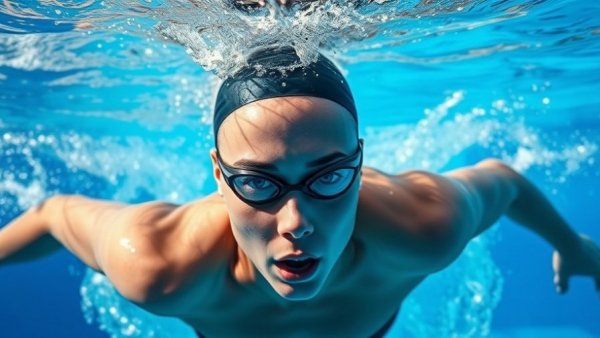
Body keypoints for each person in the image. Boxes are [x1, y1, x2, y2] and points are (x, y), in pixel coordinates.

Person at [1, 46, 599, 338]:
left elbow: (504, 179)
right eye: (258, 183)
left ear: (361, 165)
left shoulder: (424, 226)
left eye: (329, 176)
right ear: (218, 175)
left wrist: (572, 244)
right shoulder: (157, 263)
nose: (297, 222)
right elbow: (54, 215)